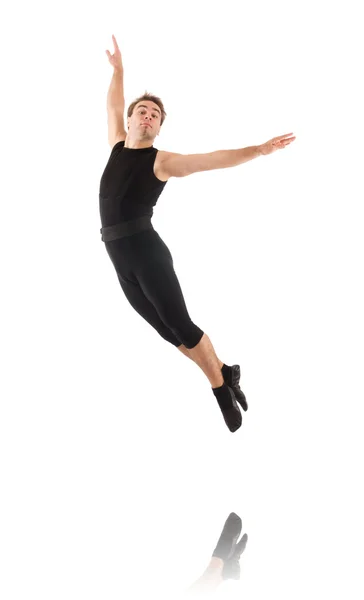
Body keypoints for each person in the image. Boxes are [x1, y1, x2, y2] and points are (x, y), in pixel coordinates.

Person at [100, 35, 296, 432]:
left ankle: (221, 388)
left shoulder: (163, 161)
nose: (147, 115)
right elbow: (112, 104)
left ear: (158, 127)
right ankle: (225, 368)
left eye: (155, 113)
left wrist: (258, 149)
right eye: (142, 110)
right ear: (131, 120)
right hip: (117, 257)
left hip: (146, 252)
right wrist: (119, 71)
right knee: (168, 333)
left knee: (183, 326)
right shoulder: (117, 146)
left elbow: (213, 160)